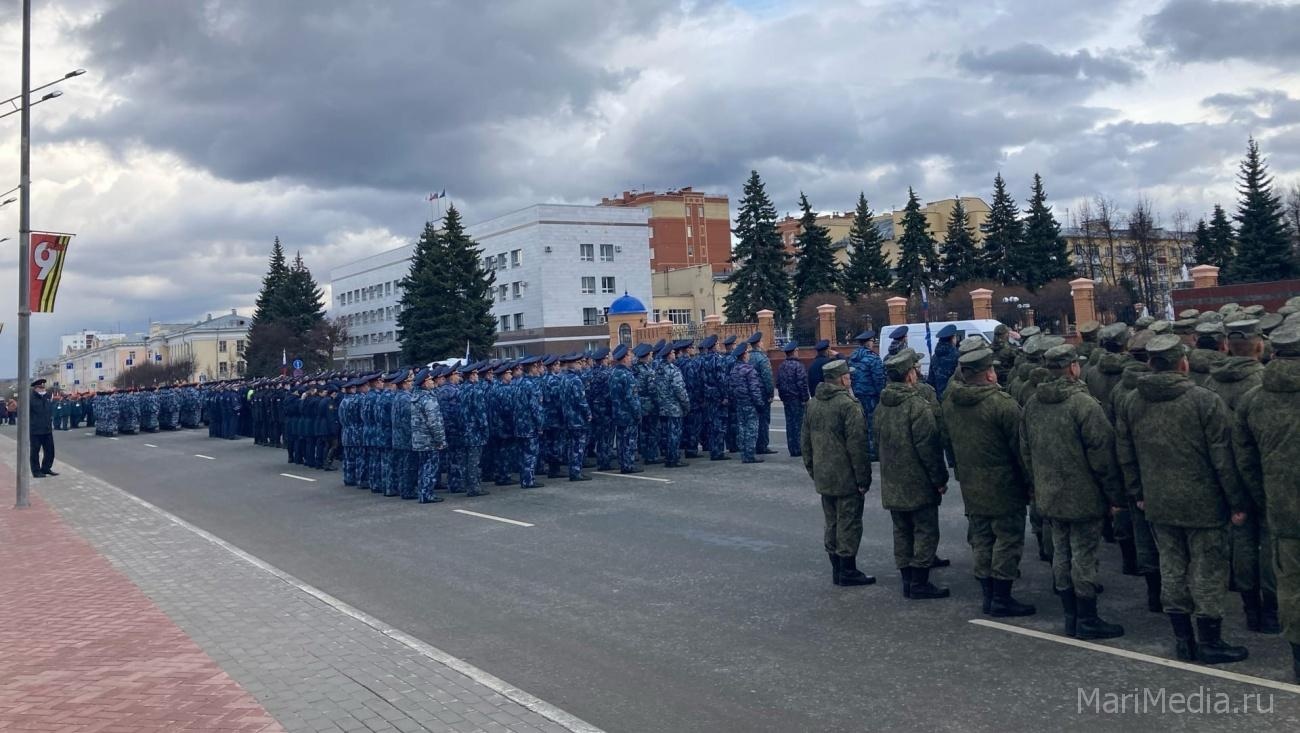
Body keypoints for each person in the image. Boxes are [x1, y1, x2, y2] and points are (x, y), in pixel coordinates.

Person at [1116, 333, 1250, 665]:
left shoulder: (1133, 401)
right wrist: (1236, 503)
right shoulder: (1204, 401)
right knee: (1208, 570)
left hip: (1158, 501)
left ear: (1150, 364)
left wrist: (1138, 494)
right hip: (1203, 502)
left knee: (1171, 567)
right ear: (1183, 363)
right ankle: (1210, 640)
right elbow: (1223, 459)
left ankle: (1183, 639)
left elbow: (1126, 454)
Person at [1021, 344, 1125, 640]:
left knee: (1061, 553)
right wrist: (1115, 497)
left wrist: (1037, 483)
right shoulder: (1084, 405)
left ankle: (1071, 616)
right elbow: (1103, 456)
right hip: (1083, 495)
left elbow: (1025, 449)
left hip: (1050, 494)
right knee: (1084, 556)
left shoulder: (1033, 404)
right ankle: (1088, 619)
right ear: (1073, 368)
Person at [942, 347, 1034, 617]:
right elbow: (1021, 450)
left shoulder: (950, 402)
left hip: (971, 482)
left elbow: (947, 441)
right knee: (1007, 539)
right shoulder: (1002, 405)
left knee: (981, 538)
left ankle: (988, 595)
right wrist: (1029, 483)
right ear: (990, 373)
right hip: (1004, 485)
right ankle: (1002, 598)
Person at [1233, 322, 1300, 680]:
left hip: (1284, 508)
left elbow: (1245, 460)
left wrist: (1267, 497)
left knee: (1291, 585)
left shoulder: (1253, 399)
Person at [1208, 319, 1277, 635]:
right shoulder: (1264, 385)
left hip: (1225, 475)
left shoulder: (1212, 384)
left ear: (1226, 347)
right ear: (1260, 346)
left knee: (1241, 539)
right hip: (1263, 475)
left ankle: (1250, 609)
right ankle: (1271, 611)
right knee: (1269, 542)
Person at [876, 349, 950, 599]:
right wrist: (939, 479)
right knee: (925, 530)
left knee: (902, 531)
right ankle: (920, 582)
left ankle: (908, 580)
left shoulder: (882, 404)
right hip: (917, 481)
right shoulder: (917, 405)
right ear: (909, 375)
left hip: (893, 480)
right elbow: (928, 448)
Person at [801, 359, 874, 587]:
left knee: (831, 522)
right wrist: (863, 479)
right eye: (848, 376)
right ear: (842, 379)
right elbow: (857, 446)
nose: (850, 379)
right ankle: (848, 570)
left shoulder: (812, 404)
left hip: (824, 475)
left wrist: (814, 470)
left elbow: (805, 443)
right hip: (846, 477)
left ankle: (836, 569)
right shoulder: (848, 405)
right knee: (849, 523)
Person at [410, 369, 447, 503]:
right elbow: (434, 423)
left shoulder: (415, 398)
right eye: (430, 380)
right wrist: (440, 440)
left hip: (419, 440)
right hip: (429, 440)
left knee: (424, 467)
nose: (433, 382)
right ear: (425, 383)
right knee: (430, 467)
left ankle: (423, 492)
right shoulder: (428, 399)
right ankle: (427, 494)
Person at [847, 330, 885, 461]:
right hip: (872, 395)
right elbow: (879, 379)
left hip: (859, 394)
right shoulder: (873, 358)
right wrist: (882, 394)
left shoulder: (852, 357)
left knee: (862, 423)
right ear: (869, 343)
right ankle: (873, 452)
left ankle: (864, 450)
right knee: (874, 423)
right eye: (872, 341)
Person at [608, 344, 642, 474]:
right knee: (629, 440)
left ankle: (623, 463)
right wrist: (638, 413)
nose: (631, 358)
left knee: (622, 440)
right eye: (629, 355)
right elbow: (631, 398)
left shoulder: (613, 373)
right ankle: (628, 465)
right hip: (628, 414)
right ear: (624, 358)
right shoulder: (627, 375)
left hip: (617, 413)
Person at [728, 342, 764, 463]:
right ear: (743, 355)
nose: (748, 354)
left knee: (741, 428)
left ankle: (744, 453)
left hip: (739, 404)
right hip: (750, 404)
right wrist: (759, 404)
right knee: (751, 429)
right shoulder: (749, 370)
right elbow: (754, 390)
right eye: (747, 352)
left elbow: (731, 389)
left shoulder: (733, 370)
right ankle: (749, 455)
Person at [746, 332, 777, 456]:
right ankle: (762, 445)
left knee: (752, 420)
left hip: (750, 392)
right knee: (763, 420)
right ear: (758, 343)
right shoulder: (762, 358)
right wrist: (770, 393)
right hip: (762, 393)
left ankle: (752, 444)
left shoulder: (747, 357)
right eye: (762, 342)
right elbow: (767, 378)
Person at [776, 342, 809, 457]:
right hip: (797, 399)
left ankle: (792, 448)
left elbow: (778, 383)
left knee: (790, 424)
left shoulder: (781, 366)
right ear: (794, 351)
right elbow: (802, 383)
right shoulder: (798, 366)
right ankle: (799, 448)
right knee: (799, 424)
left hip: (787, 399)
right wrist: (805, 398)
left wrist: (782, 396)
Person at [29, 379, 58, 478]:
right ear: (36, 388)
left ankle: (46, 468)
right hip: (35, 430)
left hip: (47, 429)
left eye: (43, 387)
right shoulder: (30, 398)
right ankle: (36, 471)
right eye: (41, 388)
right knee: (35, 452)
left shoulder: (46, 397)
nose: (43, 389)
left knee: (50, 450)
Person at [926, 324, 959, 399]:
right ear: (952, 339)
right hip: (954, 398)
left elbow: (930, 381)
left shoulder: (934, 357)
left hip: (939, 398)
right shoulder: (957, 355)